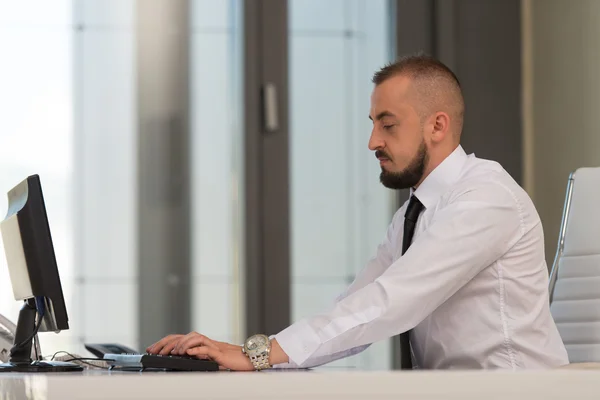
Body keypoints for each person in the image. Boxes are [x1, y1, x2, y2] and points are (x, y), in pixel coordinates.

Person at [147, 54, 569, 371]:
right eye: (372, 123)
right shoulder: (414, 213)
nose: (372, 141)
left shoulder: (486, 198)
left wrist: (255, 355)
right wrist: (257, 353)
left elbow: (392, 301)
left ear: (437, 126)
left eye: (388, 124)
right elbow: (358, 306)